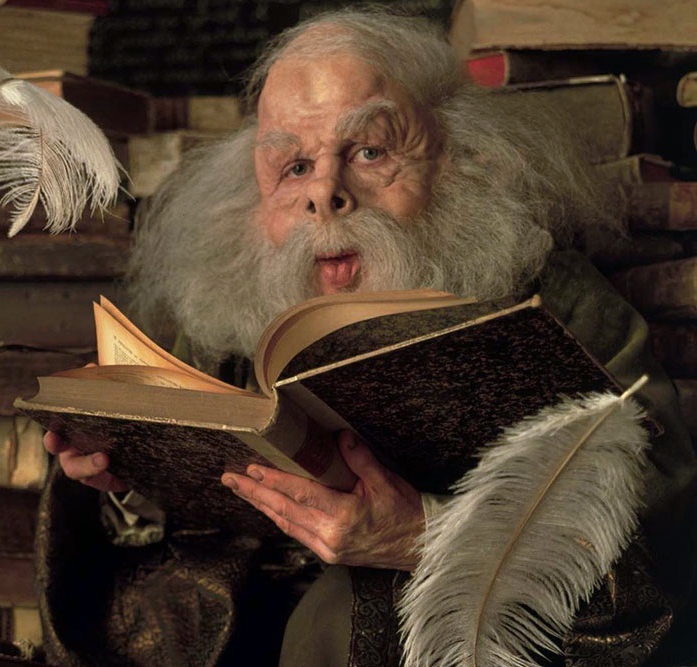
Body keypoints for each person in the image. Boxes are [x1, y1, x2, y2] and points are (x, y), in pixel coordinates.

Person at [40, 8, 697, 666]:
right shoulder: (226, 309)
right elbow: (186, 554)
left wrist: (429, 536)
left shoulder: (560, 304)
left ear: (463, 161)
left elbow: (659, 525)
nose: (325, 192)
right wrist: (126, 480)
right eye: (294, 166)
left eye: (371, 151)